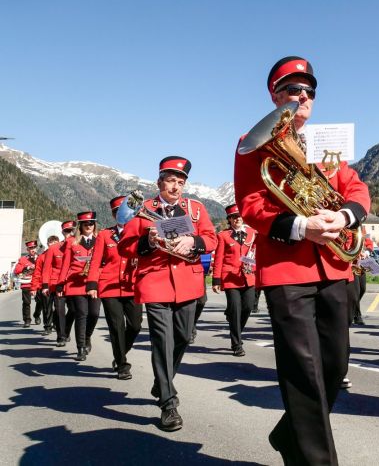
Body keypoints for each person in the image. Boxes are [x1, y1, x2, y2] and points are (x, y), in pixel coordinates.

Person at [234, 55, 370, 464]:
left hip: (334, 265)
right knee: (304, 372)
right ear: (275, 96)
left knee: (334, 366)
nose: (303, 96)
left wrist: (344, 215)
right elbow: (251, 204)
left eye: (309, 91)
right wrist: (300, 226)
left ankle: (288, 432)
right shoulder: (252, 142)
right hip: (286, 270)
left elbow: (356, 188)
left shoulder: (327, 142)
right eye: (293, 89)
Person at [119, 156, 217, 431]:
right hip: (156, 283)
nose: (176, 187)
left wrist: (194, 240)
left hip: (189, 282)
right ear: (160, 182)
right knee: (162, 341)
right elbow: (125, 246)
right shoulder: (144, 210)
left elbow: (212, 238)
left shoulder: (195, 210)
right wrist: (147, 242)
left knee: (184, 336)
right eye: (171, 181)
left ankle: (163, 380)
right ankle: (168, 403)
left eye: (181, 182)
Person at [87, 196, 141, 379]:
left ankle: (120, 353)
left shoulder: (139, 233)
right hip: (109, 286)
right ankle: (122, 365)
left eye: (124, 210)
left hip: (132, 286)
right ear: (112, 214)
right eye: (116, 212)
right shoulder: (104, 235)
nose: (121, 214)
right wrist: (92, 284)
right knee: (116, 326)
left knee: (135, 326)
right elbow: (95, 261)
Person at [211, 204, 257, 357]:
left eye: (239, 216)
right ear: (229, 219)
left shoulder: (252, 233)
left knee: (248, 307)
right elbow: (218, 259)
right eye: (234, 217)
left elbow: (256, 254)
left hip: (249, 276)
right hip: (230, 278)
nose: (237, 219)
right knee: (236, 309)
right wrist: (216, 280)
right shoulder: (223, 235)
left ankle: (233, 321)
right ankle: (236, 343)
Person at [57, 211, 101, 361]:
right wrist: (60, 284)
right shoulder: (71, 242)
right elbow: (65, 265)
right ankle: (81, 347)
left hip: (94, 283)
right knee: (81, 314)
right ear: (80, 226)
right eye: (85, 223)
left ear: (94, 225)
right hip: (76, 284)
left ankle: (87, 336)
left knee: (94, 314)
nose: (89, 225)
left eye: (91, 223)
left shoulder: (100, 240)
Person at [42, 221, 77, 347]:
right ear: (62, 232)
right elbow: (46, 268)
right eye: (66, 231)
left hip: (73, 284)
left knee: (73, 310)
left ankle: (65, 329)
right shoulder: (54, 248)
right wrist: (45, 285)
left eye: (71, 230)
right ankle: (61, 336)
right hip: (56, 283)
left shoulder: (78, 246)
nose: (69, 233)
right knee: (59, 310)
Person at [30, 238, 56, 335]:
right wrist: (34, 287)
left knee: (58, 308)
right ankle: (48, 327)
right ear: (48, 244)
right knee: (47, 308)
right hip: (45, 285)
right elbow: (37, 273)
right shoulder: (42, 257)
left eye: (55, 243)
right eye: (51, 243)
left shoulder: (61, 254)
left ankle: (57, 324)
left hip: (57, 285)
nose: (53, 245)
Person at [13, 240, 39, 327]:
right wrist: (26, 267)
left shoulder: (40, 257)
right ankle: (27, 320)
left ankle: (37, 314)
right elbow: (17, 270)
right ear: (27, 249)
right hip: (27, 283)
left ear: (36, 248)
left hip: (39, 283)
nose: (33, 250)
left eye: (34, 248)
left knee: (41, 301)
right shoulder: (23, 259)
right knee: (26, 302)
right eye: (31, 248)